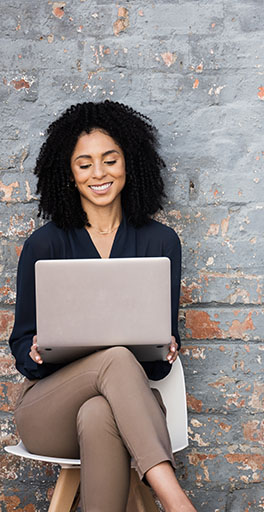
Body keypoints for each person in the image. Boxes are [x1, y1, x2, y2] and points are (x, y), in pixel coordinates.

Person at [9, 101, 196, 511]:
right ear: (69, 173)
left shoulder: (161, 242)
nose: (99, 173)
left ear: (129, 163)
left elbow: (156, 366)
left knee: (99, 413)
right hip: (49, 412)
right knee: (115, 357)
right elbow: (21, 346)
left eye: (110, 160)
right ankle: (177, 502)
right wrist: (34, 350)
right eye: (85, 164)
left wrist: (167, 347)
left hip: (126, 411)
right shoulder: (44, 244)